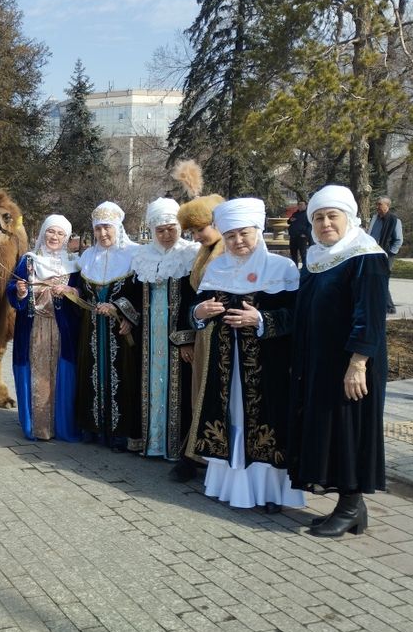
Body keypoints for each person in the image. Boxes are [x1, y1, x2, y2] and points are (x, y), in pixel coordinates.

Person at [189, 198, 305, 511]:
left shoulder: (281, 269)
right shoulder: (216, 268)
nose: (238, 241)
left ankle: (270, 494)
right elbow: (194, 312)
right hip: (225, 368)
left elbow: (298, 318)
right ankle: (230, 486)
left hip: (267, 367)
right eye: (230, 236)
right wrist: (199, 312)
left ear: (258, 231)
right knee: (229, 419)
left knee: (267, 421)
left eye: (244, 234)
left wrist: (262, 320)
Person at [288, 185, 388, 537]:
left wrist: (358, 363)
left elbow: (371, 316)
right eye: (318, 217)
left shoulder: (365, 255)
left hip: (352, 363)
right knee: (331, 431)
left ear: (349, 218)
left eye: (333, 216)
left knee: (351, 431)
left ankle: (349, 506)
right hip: (320, 363)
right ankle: (351, 507)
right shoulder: (317, 258)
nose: (325, 223)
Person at [131, 198, 199, 458]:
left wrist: (185, 339)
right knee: (147, 387)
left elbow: (194, 298)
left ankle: (177, 448)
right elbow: (134, 296)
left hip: (176, 338)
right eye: (160, 230)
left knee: (180, 389)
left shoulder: (189, 254)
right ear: (152, 231)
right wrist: (126, 314)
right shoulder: (142, 256)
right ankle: (151, 443)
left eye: (171, 228)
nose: (166, 234)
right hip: (147, 338)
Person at [7, 215, 82, 441]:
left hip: (63, 331)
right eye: (51, 232)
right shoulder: (28, 261)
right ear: (43, 233)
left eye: (60, 234)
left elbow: (83, 295)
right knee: (35, 374)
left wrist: (70, 291)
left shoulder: (74, 264)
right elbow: (12, 288)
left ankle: (61, 426)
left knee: (62, 374)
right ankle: (37, 426)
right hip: (32, 328)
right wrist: (19, 291)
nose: (55, 237)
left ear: (67, 238)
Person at [74, 202, 142, 449]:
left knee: (122, 377)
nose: (103, 234)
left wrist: (123, 312)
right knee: (91, 373)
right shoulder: (87, 257)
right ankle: (93, 428)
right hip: (91, 330)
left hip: (120, 332)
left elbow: (142, 295)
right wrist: (73, 291)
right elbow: (82, 291)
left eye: (108, 228)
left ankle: (120, 433)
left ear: (118, 227)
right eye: (99, 228)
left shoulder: (134, 255)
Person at [169, 189, 225, 481]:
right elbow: (191, 298)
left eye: (199, 229)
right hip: (204, 335)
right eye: (192, 231)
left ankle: (202, 458)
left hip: (223, 338)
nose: (196, 236)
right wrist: (187, 337)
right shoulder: (204, 252)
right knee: (198, 397)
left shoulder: (228, 251)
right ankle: (196, 455)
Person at [368, 196, 403, 313]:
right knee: (373, 278)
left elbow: (398, 240)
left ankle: (389, 307)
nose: (377, 207)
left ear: (387, 206)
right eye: (377, 204)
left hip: (386, 255)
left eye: (379, 204)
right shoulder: (374, 218)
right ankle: (378, 305)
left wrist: (391, 254)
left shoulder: (395, 220)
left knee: (382, 279)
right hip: (372, 253)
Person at [288, 200, 312, 267]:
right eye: (299, 205)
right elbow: (288, 222)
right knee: (293, 253)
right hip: (293, 236)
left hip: (302, 237)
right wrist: (290, 220)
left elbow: (310, 226)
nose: (300, 206)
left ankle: (305, 268)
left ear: (306, 205)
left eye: (302, 204)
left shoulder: (308, 214)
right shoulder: (295, 214)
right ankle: (294, 268)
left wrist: (305, 234)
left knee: (303, 254)